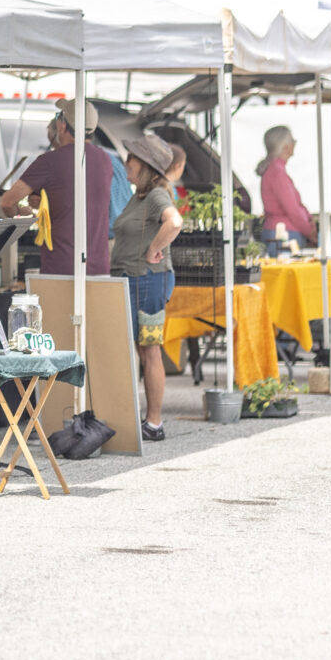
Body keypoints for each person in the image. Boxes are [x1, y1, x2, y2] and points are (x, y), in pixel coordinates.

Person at [109, 133, 184, 443]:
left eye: (131, 158)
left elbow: (174, 222)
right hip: (135, 278)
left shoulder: (156, 196)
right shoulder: (139, 195)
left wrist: (155, 247)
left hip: (146, 279)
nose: (126, 162)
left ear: (145, 165)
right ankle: (144, 419)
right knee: (142, 349)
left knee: (149, 349)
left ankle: (153, 422)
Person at [0, 102, 113, 278]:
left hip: (61, 268)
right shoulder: (105, 159)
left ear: (62, 126)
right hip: (100, 269)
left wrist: (22, 213)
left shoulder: (49, 161)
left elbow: (7, 202)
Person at [254, 126, 315, 249]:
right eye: (293, 141)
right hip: (284, 235)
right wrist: (310, 232)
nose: (294, 144)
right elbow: (293, 210)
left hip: (278, 232)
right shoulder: (277, 173)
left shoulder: (274, 170)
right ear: (285, 147)